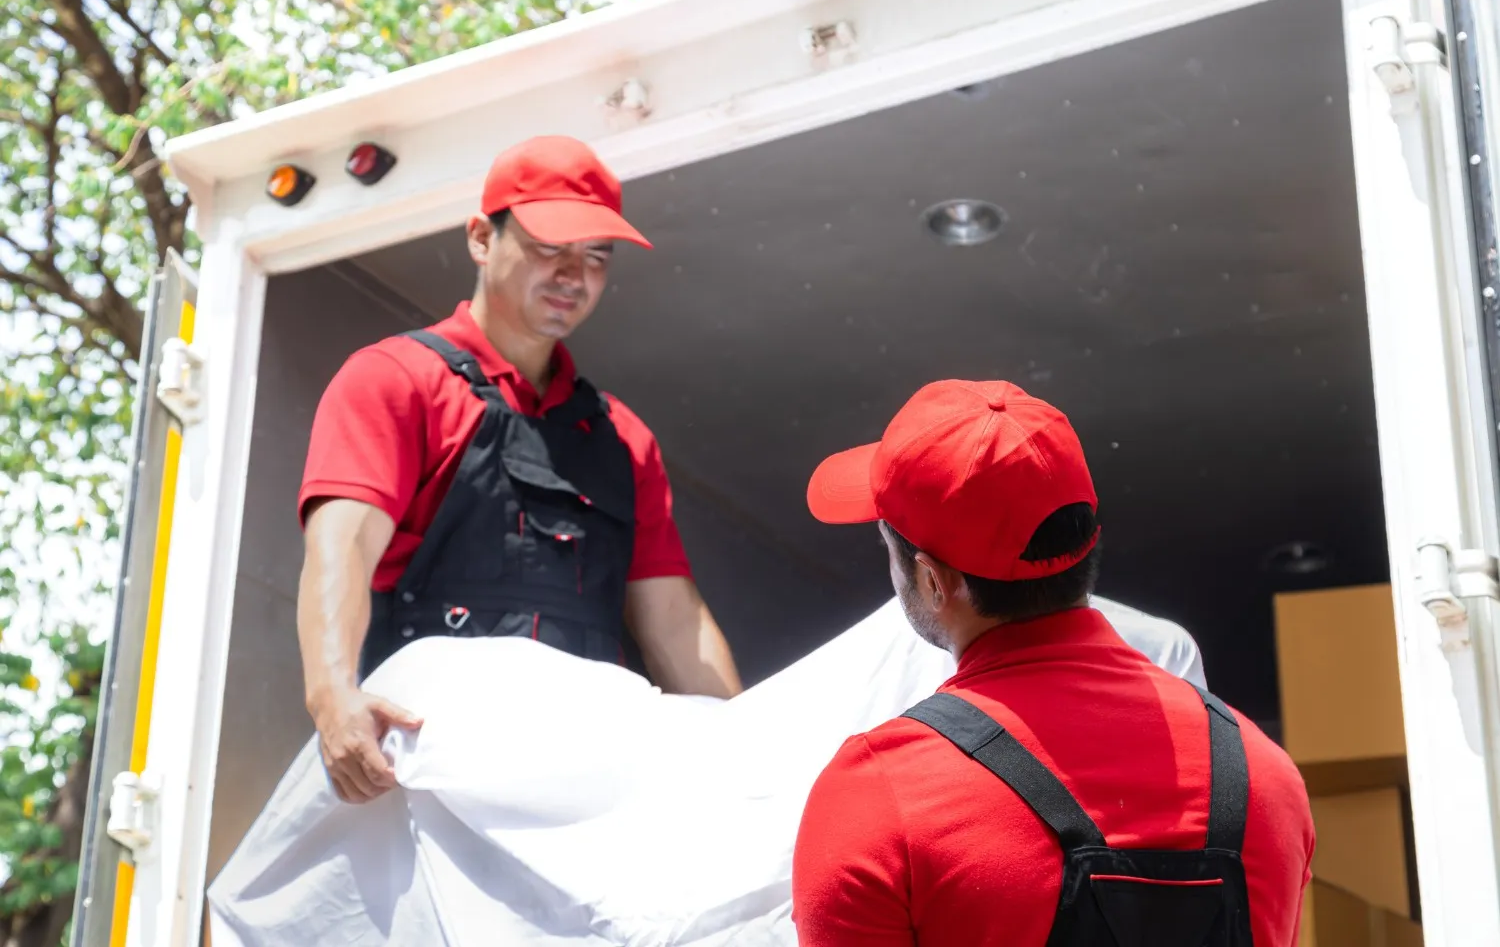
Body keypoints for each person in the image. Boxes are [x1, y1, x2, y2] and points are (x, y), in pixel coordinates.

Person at [296, 135, 743, 804]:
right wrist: (333, 697)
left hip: (578, 790)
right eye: (549, 247)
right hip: (427, 775)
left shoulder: (624, 439)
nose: (574, 275)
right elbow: (343, 551)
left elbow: (676, 622)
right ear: (481, 237)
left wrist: (747, 751)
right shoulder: (397, 380)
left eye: (596, 257)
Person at [791, 380, 1314, 946]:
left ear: (932, 580)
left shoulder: (878, 796)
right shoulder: (1266, 780)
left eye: (888, 551)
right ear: (1084, 541)